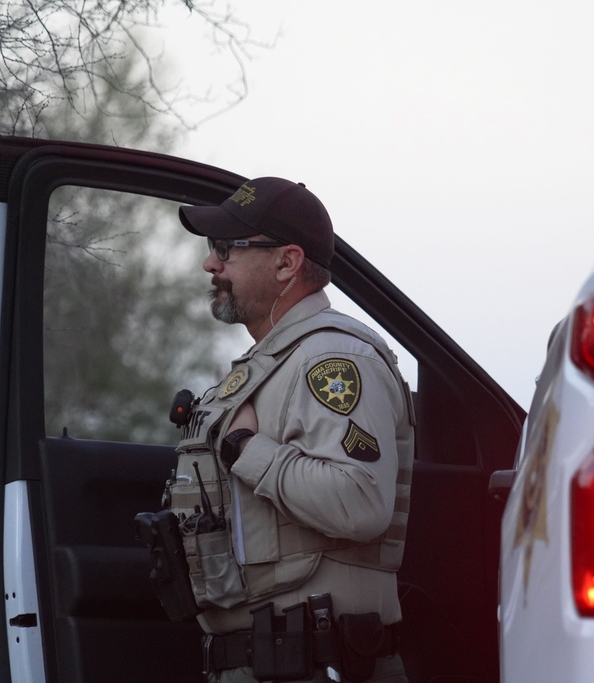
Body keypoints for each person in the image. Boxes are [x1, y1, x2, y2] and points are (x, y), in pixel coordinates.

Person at [164, 177, 414, 683]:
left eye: (226, 248)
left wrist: (245, 449)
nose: (211, 264)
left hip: (318, 663)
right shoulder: (271, 364)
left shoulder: (334, 360)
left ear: (286, 263)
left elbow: (362, 502)